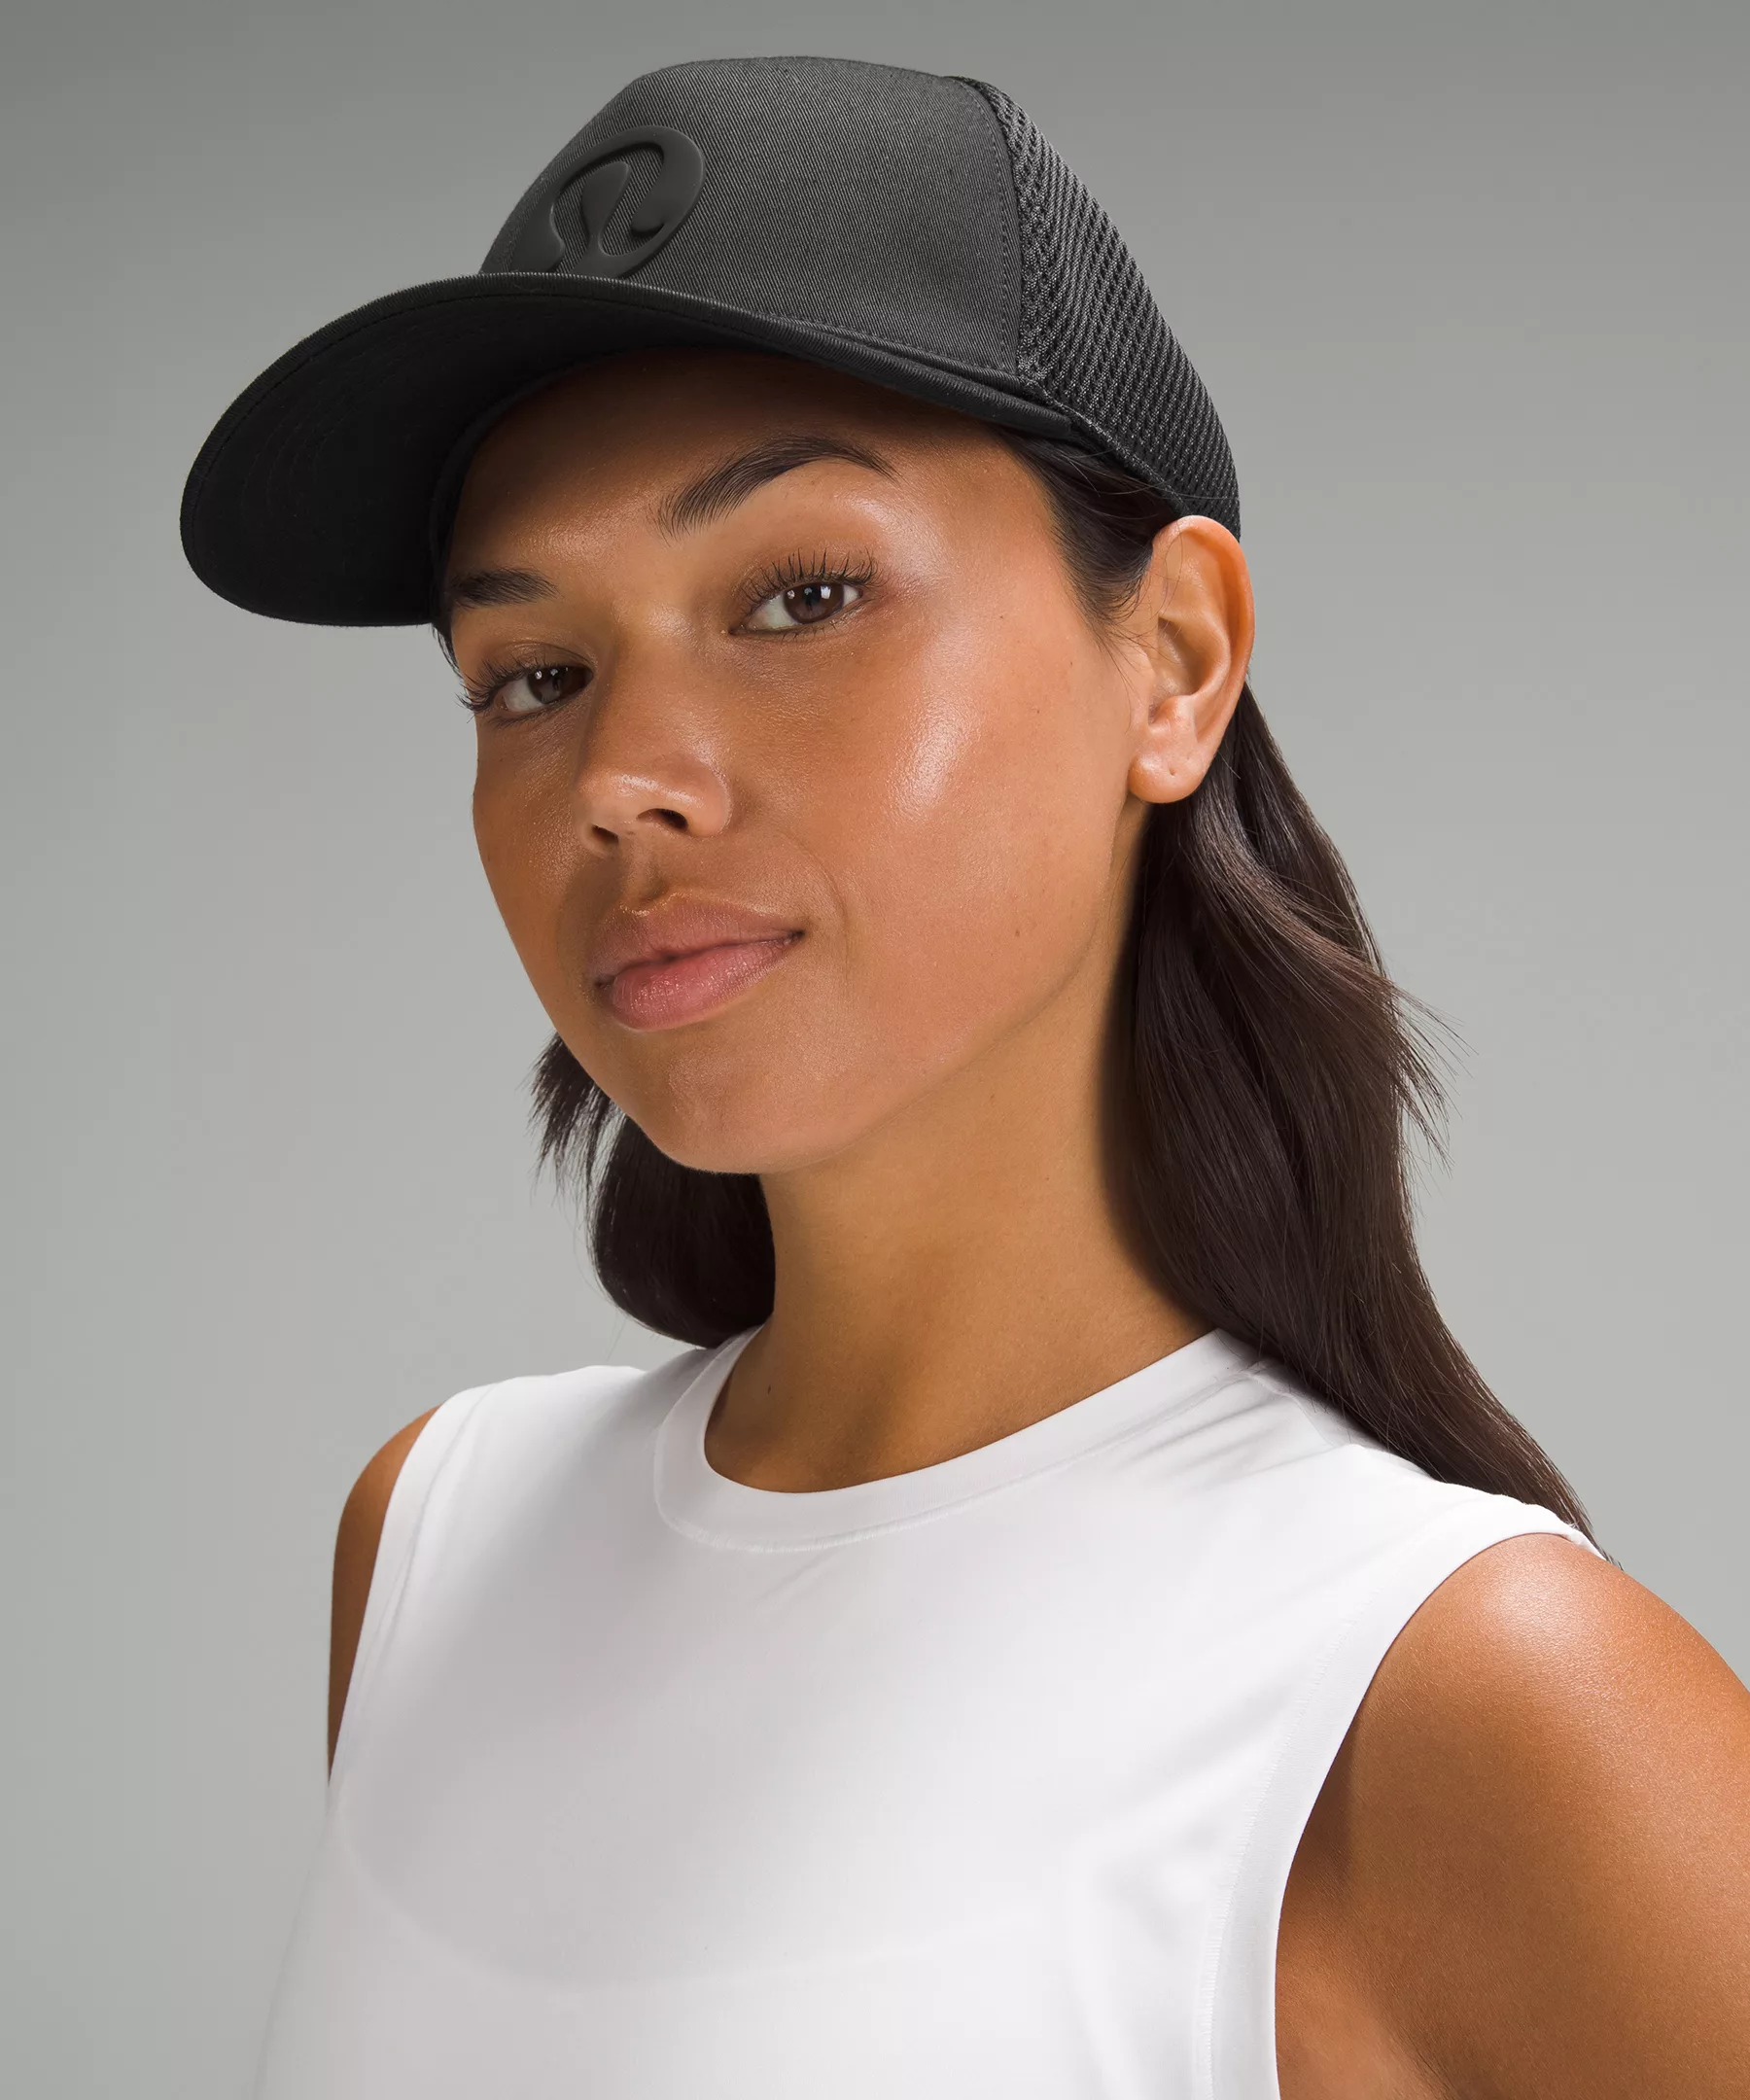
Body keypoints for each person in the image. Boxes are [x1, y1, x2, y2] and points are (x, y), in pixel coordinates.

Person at [180, 53, 1750, 2100]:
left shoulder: (1455, 1697)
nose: (624, 782)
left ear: (1173, 660)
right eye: (535, 674)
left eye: (802, 597)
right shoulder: (436, 1546)